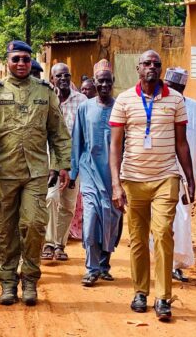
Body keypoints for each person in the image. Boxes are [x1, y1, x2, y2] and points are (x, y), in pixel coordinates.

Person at [0, 40, 71, 307]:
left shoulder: (45, 91)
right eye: (16, 59)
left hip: (37, 172)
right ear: (8, 61)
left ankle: (29, 280)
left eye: (26, 59)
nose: (21, 64)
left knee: (34, 225)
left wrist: (62, 165)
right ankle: (7, 282)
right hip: (4, 172)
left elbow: (59, 133)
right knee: (6, 229)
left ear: (31, 62)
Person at [109, 50, 196, 321]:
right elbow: (115, 145)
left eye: (156, 64)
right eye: (147, 63)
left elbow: (181, 143)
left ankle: (163, 297)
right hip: (133, 179)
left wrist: (190, 178)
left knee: (162, 234)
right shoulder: (124, 100)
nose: (152, 67)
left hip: (165, 177)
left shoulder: (176, 100)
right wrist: (116, 184)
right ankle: (140, 292)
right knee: (136, 239)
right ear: (138, 68)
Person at [71, 60, 122, 287]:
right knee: (91, 219)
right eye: (99, 81)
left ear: (113, 83)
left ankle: (104, 265)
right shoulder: (85, 107)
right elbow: (77, 140)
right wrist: (73, 172)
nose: (103, 85)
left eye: (107, 81)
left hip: (113, 175)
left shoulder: (120, 108)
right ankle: (91, 268)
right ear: (94, 81)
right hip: (90, 170)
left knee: (110, 220)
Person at [163, 67, 196, 283]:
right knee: (160, 218)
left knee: (181, 218)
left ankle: (174, 264)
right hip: (159, 171)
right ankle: (159, 261)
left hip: (185, 174)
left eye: (174, 88)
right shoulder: (156, 106)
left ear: (182, 88)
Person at [42, 63, 87, 261]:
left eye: (67, 76)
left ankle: (60, 245)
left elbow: (84, 135)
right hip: (50, 161)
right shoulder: (45, 98)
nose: (63, 79)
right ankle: (49, 243)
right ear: (52, 79)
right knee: (51, 198)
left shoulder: (81, 101)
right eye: (59, 76)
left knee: (68, 205)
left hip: (73, 162)